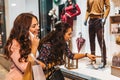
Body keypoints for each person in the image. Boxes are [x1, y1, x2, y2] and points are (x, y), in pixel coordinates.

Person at [4, 13, 45, 80]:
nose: (38, 28)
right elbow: (25, 67)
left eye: (38, 25)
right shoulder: (14, 44)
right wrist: (34, 47)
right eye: (34, 26)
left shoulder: (28, 40)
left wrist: (39, 63)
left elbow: (29, 59)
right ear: (24, 28)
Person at [84, 0, 110, 68]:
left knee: (100, 40)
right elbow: (88, 9)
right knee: (91, 41)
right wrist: (86, 19)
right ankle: (93, 60)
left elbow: (108, 7)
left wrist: (105, 17)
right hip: (91, 20)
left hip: (99, 19)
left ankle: (103, 61)